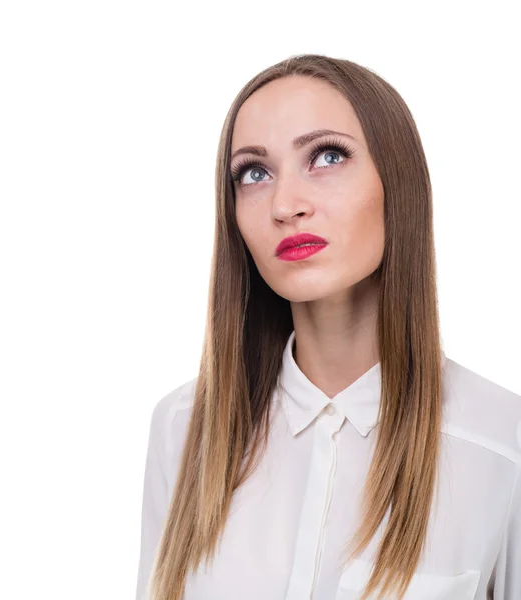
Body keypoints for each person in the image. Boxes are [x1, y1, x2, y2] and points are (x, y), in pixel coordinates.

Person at [135, 54, 521, 600]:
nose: (286, 205)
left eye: (328, 156)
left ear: (397, 183)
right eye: (254, 173)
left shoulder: (502, 442)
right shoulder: (183, 428)